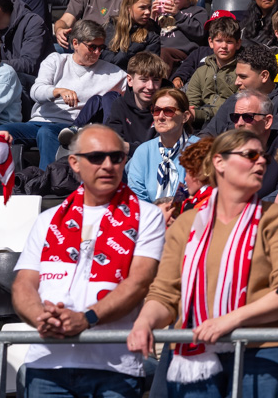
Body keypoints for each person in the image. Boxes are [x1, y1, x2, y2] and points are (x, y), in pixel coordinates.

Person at [126, 129, 278, 398]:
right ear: (219, 162)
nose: (261, 162)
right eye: (251, 155)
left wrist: (228, 321)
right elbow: (164, 294)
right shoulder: (186, 223)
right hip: (196, 351)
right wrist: (144, 323)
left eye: (264, 157)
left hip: (263, 351)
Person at [12, 124, 165, 398]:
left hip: (114, 368)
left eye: (116, 157)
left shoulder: (147, 215)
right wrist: (41, 318)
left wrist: (87, 319)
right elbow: (24, 284)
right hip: (47, 366)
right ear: (74, 163)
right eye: (96, 157)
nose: (108, 165)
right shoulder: (47, 219)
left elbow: (139, 282)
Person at [0, 20, 126, 166]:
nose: (97, 52)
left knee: (46, 133)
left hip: (70, 127)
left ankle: (50, 177)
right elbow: (36, 91)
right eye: (92, 47)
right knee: (1, 131)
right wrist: (58, 91)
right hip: (39, 122)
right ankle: (5, 179)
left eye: (101, 47)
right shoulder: (56, 60)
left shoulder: (113, 72)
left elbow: (133, 88)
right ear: (75, 43)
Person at [201, 45, 278, 148]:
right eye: (236, 117)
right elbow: (208, 134)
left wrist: (227, 136)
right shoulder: (235, 100)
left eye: (243, 77)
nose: (236, 82)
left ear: (264, 76)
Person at [126, 88, 199, 202]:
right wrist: (156, 212)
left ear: (185, 117)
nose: (160, 117)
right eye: (156, 110)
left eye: (168, 111)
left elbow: (202, 192)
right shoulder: (143, 152)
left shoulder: (199, 149)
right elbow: (137, 196)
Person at [186, 12, 241, 125]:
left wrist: (201, 114)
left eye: (229, 41)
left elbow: (237, 105)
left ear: (238, 44)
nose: (224, 46)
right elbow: (191, 101)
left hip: (230, 123)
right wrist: (190, 112)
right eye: (219, 41)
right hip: (200, 123)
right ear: (211, 42)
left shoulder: (242, 72)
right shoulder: (201, 71)